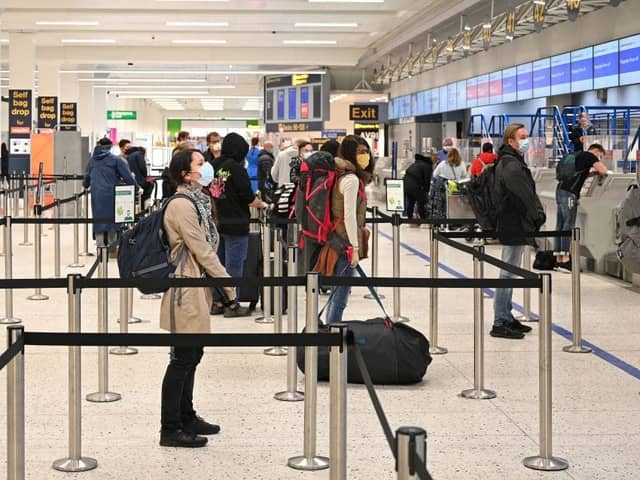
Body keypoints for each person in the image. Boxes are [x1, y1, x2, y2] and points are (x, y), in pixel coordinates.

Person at [159, 148, 240, 448]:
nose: (206, 167)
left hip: (196, 285)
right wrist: (230, 286)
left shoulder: (198, 201)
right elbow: (202, 249)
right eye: (200, 163)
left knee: (193, 355)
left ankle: (187, 415)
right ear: (185, 173)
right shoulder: (182, 206)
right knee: (182, 359)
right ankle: (170, 428)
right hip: (185, 288)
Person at [492, 124, 546, 339]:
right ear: (510, 141)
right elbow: (525, 195)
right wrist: (537, 216)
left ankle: (505, 315)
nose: (526, 140)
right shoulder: (511, 165)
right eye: (522, 137)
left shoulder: (510, 161)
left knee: (510, 270)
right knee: (507, 271)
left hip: (512, 222)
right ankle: (499, 321)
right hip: (513, 223)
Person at [210, 133, 268, 316]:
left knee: (217, 265)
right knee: (234, 266)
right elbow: (249, 198)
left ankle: (217, 302)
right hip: (236, 223)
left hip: (217, 223)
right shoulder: (236, 168)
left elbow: (215, 193)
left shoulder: (214, 166)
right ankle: (232, 305)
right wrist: (264, 204)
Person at [324, 135, 370, 324]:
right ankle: (331, 340)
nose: (365, 156)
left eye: (366, 151)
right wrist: (355, 248)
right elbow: (349, 215)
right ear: (351, 153)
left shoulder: (340, 173)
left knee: (336, 295)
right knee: (340, 299)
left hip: (336, 240)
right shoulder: (350, 178)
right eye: (361, 152)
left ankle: (327, 334)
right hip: (344, 245)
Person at [554, 143, 608, 269]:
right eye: (600, 156)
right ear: (597, 151)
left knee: (560, 224)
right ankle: (566, 259)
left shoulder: (576, 155)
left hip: (560, 190)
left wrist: (591, 174)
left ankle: (558, 259)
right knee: (569, 224)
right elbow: (603, 170)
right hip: (570, 193)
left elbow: (577, 173)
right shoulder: (590, 156)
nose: (599, 159)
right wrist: (600, 170)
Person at [83, 138, 140, 250]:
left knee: (98, 220)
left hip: (97, 195)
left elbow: (86, 179)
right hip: (111, 194)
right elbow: (128, 177)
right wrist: (137, 188)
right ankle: (113, 248)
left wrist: (85, 185)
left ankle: (100, 246)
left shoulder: (92, 161)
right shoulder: (115, 160)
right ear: (110, 147)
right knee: (113, 220)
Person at [403, 152, 434, 222]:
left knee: (410, 201)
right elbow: (427, 179)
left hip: (406, 183)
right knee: (421, 201)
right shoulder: (427, 166)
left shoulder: (417, 163)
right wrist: (426, 191)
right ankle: (423, 220)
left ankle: (410, 219)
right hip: (414, 185)